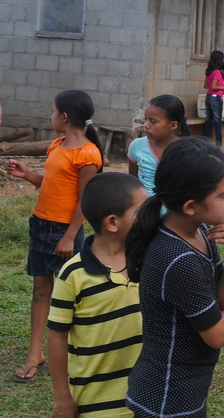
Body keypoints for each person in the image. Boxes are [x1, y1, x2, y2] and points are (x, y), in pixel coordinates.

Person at [124, 137, 224, 417]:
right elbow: (217, 334)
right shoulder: (178, 259)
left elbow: (221, 302)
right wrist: (220, 319)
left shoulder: (201, 231)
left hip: (186, 390)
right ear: (190, 206)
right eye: (223, 193)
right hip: (166, 398)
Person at [7, 90, 103, 383]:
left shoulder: (88, 154)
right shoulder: (57, 145)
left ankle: (80, 351)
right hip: (40, 225)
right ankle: (36, 352)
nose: (50, 117)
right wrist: (28, 176)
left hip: (64, 232)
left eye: (52, 112)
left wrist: (69, 237)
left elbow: (84, 201)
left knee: (71, 295)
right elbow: (51, 184)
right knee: (40, 291)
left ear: (64, 117)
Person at [48, 173, 146, 418]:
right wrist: (62, 398)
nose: (150, 218)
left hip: (146, 399)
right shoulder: (73, 274)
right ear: (112, 222)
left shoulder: (147, 260)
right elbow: (57, 336)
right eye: (142, 212)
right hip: (95, 405)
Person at [128, 94, 189, 197]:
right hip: (143, 210)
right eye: (145, 119)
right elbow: (133, 183)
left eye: (153, 121)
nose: (146, 125)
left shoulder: (186, 152)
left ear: (173, 125)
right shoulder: (137, 146)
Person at [202, 50, 224, 146]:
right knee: (217, 120)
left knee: (208, 119)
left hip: (209, 96)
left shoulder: (209, 71)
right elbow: (214, 86)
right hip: (216, 97)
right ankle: (219, 144)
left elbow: (206, 85)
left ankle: (205, 141)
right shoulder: (217, 72)